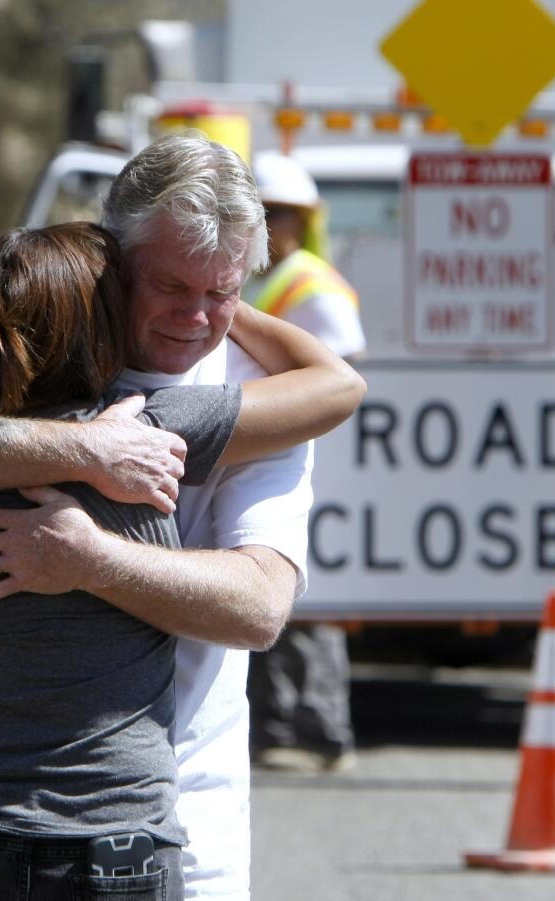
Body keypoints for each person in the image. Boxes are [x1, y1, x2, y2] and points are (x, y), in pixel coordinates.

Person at [0, 134, 346, 900]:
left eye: (224, 291)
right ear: (110, 257)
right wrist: (85, 450)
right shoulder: (13, 348)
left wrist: (86, 557)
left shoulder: (253, 399)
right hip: (36, 830)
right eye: (171, 285)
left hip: (180, 823)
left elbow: (259, 603)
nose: (196, 318)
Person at [244, 150, 365, 773]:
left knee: (307, 605)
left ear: (301, 220)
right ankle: (276, 728)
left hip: (304, 456)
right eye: (258, 212)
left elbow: (338, 372)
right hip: (266, 452)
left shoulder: (310, 283)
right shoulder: (262, 279)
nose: (266, 224)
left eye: (277, 214)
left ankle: (324, 731)